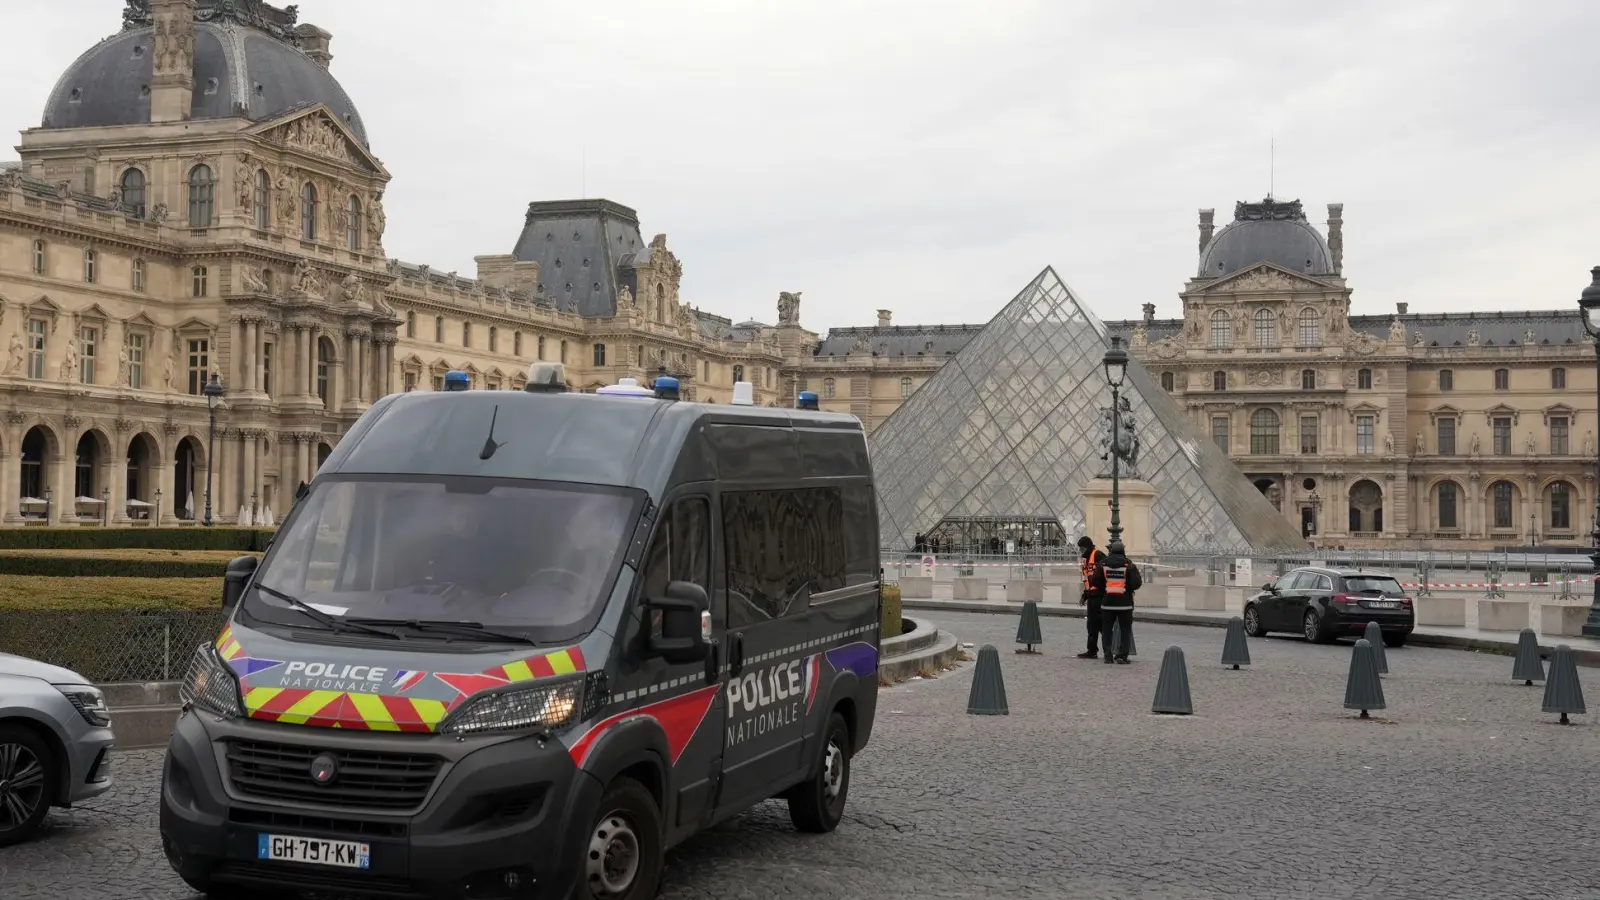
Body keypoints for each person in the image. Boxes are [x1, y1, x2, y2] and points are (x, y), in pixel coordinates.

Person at [1091, 546, 1143, 665]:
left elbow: (1095, 582)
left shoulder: (1102, 564)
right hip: (1125, 604)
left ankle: (1108, 655)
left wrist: (1105, 588)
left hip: (1108, 603)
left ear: (1110, 551)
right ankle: (1122, 656)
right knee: (1125, 631)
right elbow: (1136, 583)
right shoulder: (1128, 565)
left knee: (1107, 630)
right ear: (1123, 551)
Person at [1075, 536, 1105, 659]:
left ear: (1088, 547)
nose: (1082, 551)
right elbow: (1087, 581)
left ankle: (1111, 649)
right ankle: (1092, 650)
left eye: (1082, 549)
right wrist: (1085, 596)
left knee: (1102, 625)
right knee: (1091, 625)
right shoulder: (1086, 561)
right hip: (1092, 596)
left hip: (1100, 595)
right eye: (1080, 549)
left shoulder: (1098, 555)